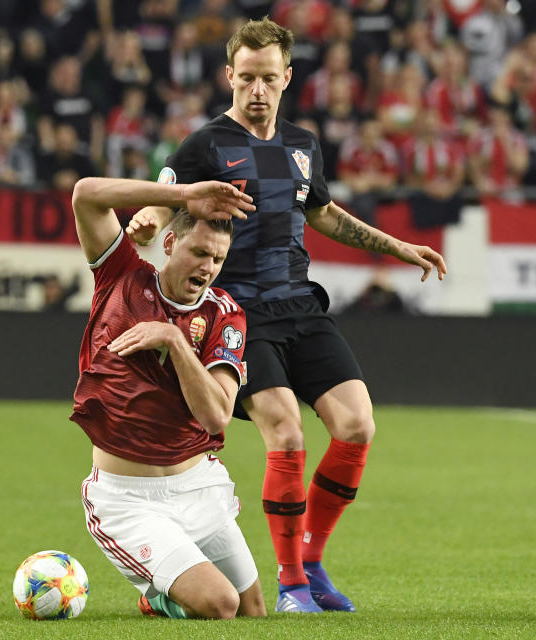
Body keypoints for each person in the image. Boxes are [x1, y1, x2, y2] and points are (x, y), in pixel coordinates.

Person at [126, 17, 447, 613]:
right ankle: (291, 583)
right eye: (245, 77)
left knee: (357, 425)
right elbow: (162, 193)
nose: (256, 90)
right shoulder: (206, 145)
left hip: (300, 303)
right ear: (228, 76)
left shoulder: (302, 146)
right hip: (238, 313)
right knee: (287, 432)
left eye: (267, 79)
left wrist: (396, 247)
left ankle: (313, 560)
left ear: (287, 78)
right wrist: (147, 215)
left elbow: (324, 214)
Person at [70, 175, 265, 620]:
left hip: (197, 485)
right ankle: (158, 595)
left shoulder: (224, 315)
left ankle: (165, 592)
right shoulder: (119, 276)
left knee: (253, 612)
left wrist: (174, 342)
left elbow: (218, 416)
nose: (208, 267)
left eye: (218, 258)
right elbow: (85, 195)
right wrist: (181, 195)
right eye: (199, 252)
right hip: (127, 498)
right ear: (171, 242)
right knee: (221, 604)